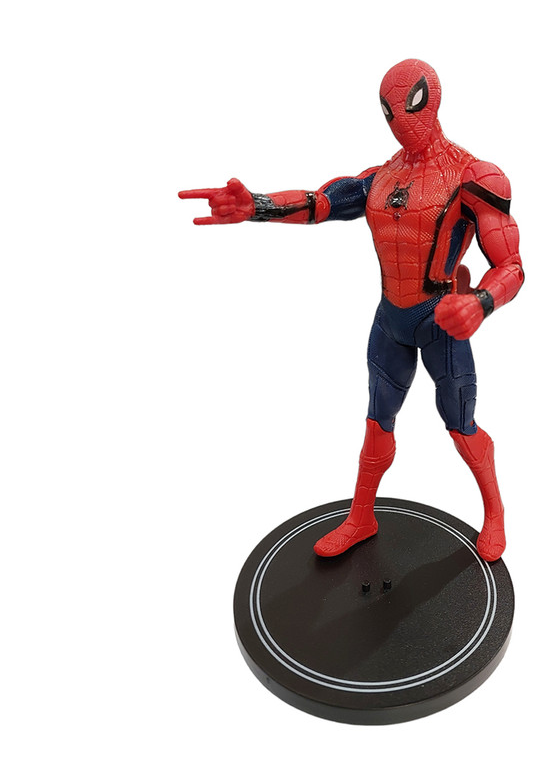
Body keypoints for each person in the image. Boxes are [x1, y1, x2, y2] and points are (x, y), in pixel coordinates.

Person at [179, 59, 524, 561]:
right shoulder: (379, 179)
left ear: (433, 99)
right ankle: (362, 517)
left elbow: (511, 265)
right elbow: (320, 202)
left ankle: (494, 512)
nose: (401, 120)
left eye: (410, 104)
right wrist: (257, 205)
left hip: (441, 320)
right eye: (389, 110)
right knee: (376, 423)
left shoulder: (475, 175)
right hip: (391, 320)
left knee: (461, 424)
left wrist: (480, 302)